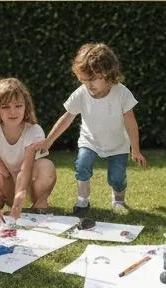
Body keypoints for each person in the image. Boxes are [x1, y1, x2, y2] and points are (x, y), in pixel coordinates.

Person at [31, 43, 146, 215]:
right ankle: (83, 201)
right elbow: (67, 117)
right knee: (82, 165)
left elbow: (131, 122)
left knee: (116, 177)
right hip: (90, 141)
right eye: (83, 80)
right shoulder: (81, 93)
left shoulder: (122, 93)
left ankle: (118, 200)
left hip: (118, 144)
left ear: (107, 73)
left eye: (91, 79)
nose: (87, 84)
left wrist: (135, 149)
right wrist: (49, 141)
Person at [0, 78, 56, 216]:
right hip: (7, 184)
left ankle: (40, 204)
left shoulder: (34, 131)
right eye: (5, 107)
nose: (13, 112)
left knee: (46, 166)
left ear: (26, 106)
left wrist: (21, 193)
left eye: (18, 106)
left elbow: (26, 168)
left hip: (27, 186)